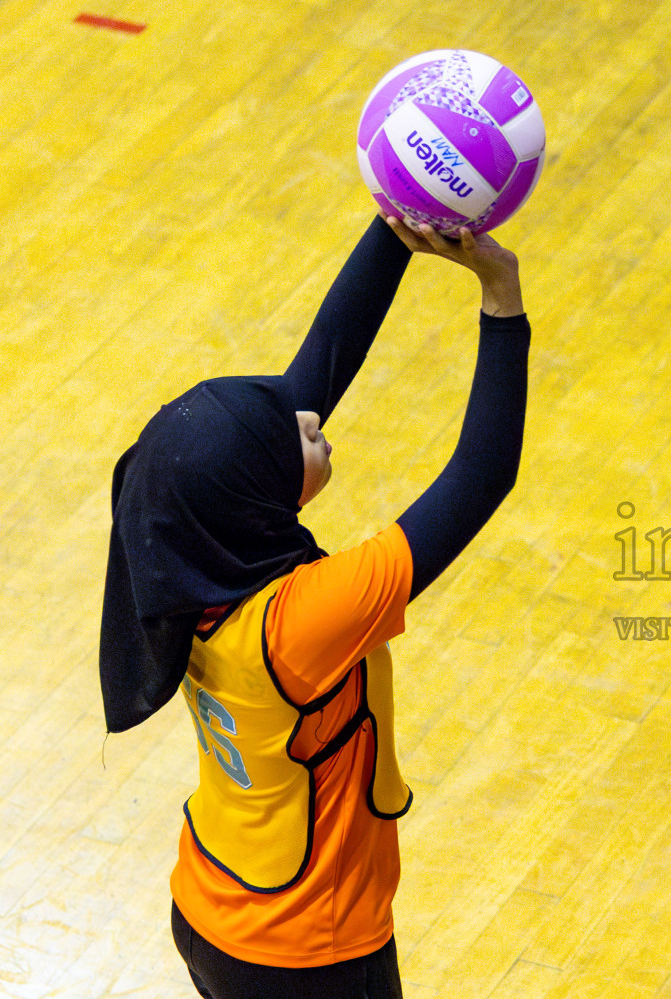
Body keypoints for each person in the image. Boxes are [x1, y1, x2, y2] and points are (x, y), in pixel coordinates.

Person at [98, 214, 531, 997]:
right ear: (258, 500)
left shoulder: (185, 559)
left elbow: (318, 366)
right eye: (288, 436)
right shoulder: (304, 625)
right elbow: (481, 475)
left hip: (212, 904)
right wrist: (502, 298)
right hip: (308, 957)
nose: (308, 417)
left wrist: (396, 228)